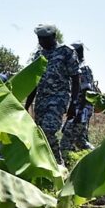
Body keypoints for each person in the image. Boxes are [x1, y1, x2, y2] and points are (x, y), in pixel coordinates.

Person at [25, 24, 80, 165]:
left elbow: (75, 77)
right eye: (39, 39)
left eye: (45, 39)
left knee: (48, 131)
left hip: (58, 98)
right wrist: (26, 106)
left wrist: (73, 103)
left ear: (54, 37)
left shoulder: (66, 51)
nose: (41, 42)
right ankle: (46, 165)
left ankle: (58, 163)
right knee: (40, 135)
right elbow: (34, 82)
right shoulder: (39, 55)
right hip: (41, 100)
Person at [60, 42, 97, 152]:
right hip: (80, 109)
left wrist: (79, 112)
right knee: (80, 141)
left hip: (82, 109)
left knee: (66, 141)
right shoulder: (78, 67)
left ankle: (65, 160)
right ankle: (96, 155)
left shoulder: (83, 68)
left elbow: (86, 92)